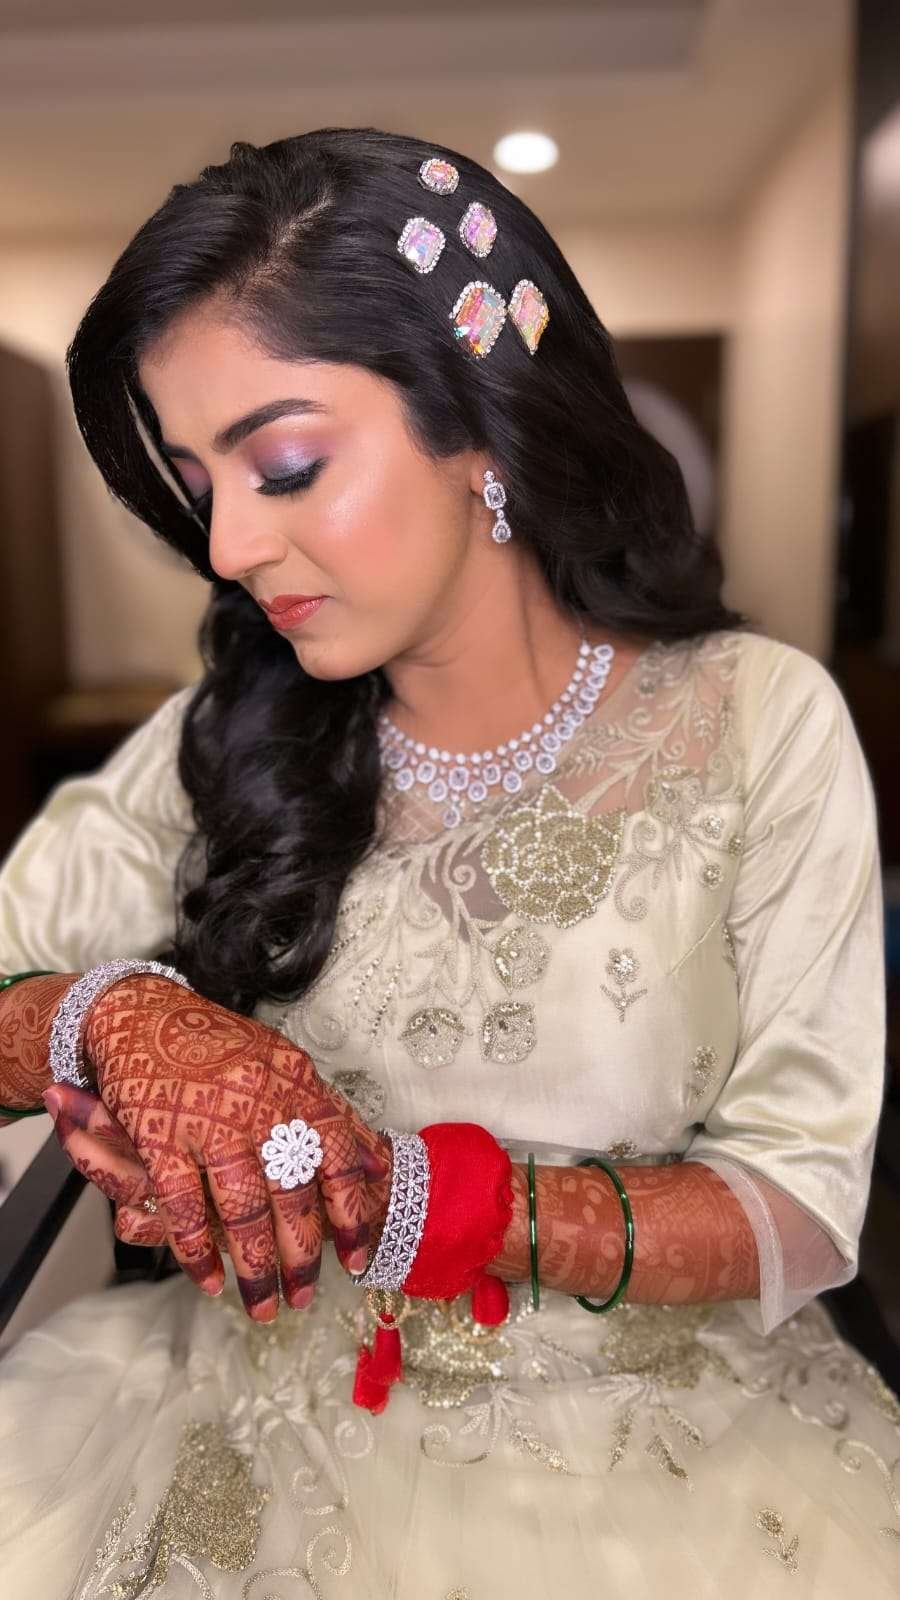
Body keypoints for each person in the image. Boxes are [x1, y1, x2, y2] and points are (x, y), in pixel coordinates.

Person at [0, 127, 895, 1599]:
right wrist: (117, 1023)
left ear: (481, 425)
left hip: (661, 1458)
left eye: (286, 465)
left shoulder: (756, 725)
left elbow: (800, 1199)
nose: (228, 547)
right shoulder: (226, 737)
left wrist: (400, 1197)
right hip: (263, 1419)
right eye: (200, 483)